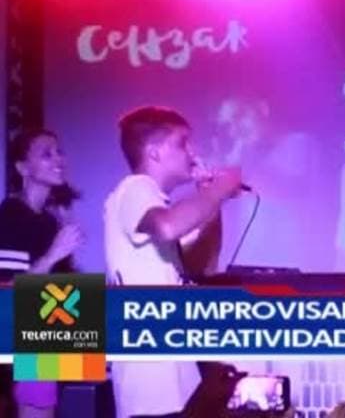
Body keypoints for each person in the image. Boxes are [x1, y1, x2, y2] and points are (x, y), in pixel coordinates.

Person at [104, 106, 242, 418]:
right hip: (150, 383)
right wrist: (219, 189)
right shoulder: (135, 188)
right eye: (182, 143)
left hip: (174, 378)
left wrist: (207, 195)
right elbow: (168, 226)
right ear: (154, 152)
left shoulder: (155, 201)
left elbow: (199, 263)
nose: (192, 152)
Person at [0, 129, 85, 418]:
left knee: (49, 408)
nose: (59, 159)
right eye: (46, 154)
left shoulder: (49, 220)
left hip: (52, 329)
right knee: (36, 409)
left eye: (59, 151)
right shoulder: (11, 215)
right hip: (27, 336)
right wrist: (53, 255)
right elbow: (8, 290)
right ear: (22, 168)